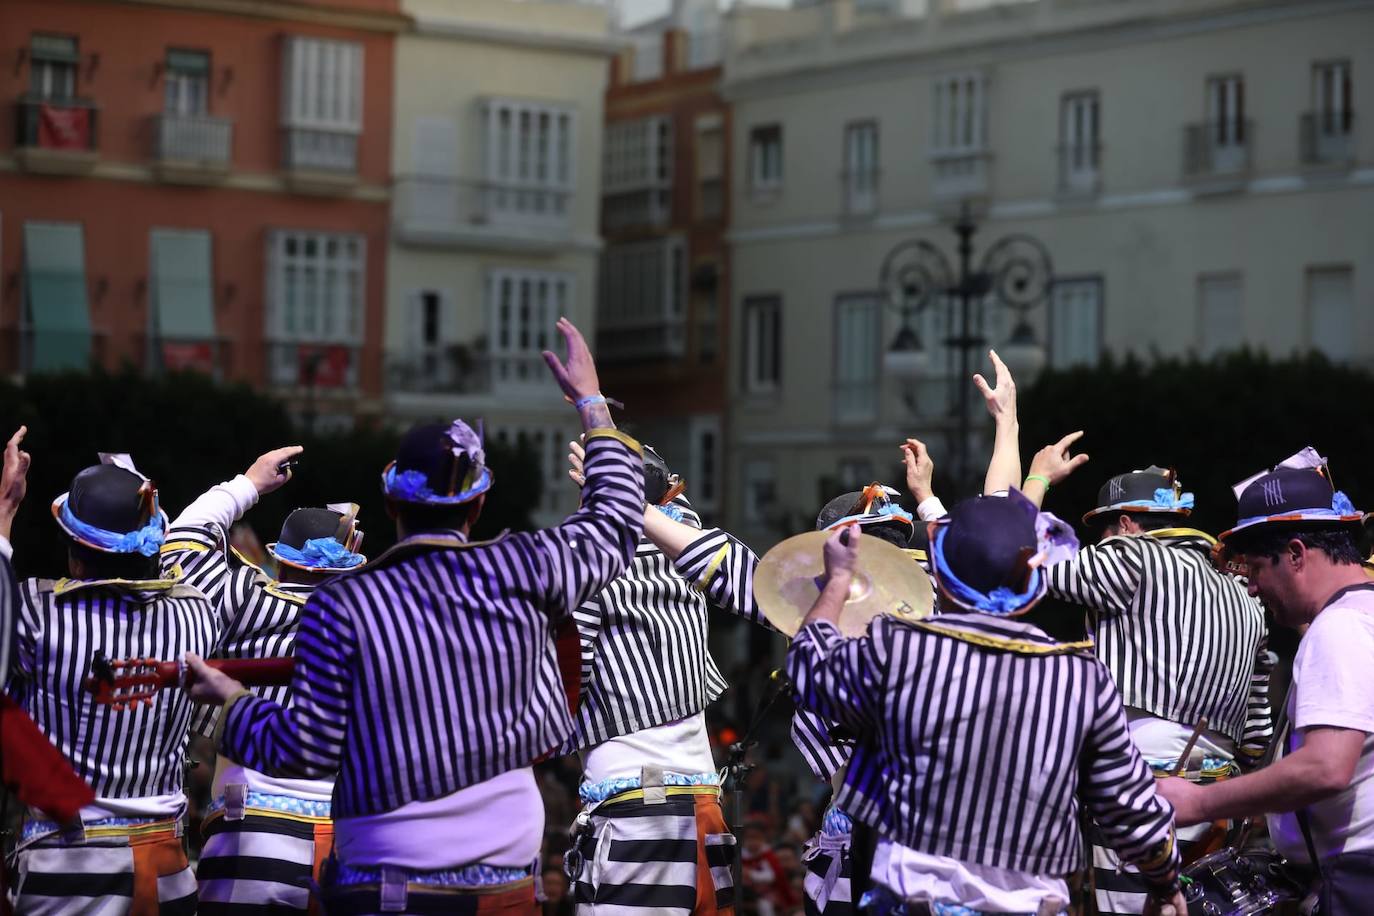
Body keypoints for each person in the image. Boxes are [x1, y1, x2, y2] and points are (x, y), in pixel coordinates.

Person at [186, 317, 645, 914]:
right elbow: (615, 519)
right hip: (507, 891)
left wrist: (231, 703)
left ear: (390, 499)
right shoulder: (531, 567)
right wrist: (591, 406)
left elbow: (306, 748)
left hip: (385, 890)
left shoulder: (342, 606)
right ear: (478, 502)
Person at [787, 494, 1187, 916]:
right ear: (1033, 590)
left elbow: (810, 666)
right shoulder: (1082, 679)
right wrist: (1164, 883)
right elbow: (1129, 806)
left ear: (939, 575)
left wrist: (837, 581)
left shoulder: (901, 648)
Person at [0, 435, 254, 913]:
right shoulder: (197, 614)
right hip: (168, 874)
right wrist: (245, 485)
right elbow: (191, 543)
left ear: (73, 548)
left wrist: (5, 512)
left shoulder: (36, 612)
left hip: (65, 868)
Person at [1013, 446, 1271, 913]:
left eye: (1107, 529)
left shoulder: (1132, 557)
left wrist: (1036, 481)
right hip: (1221, 804)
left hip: (1141, 793)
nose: (1104, 540)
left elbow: (1016, 556)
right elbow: (1257, 734)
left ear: (1129, 523)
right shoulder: (1243, 593)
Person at [1158, 453, 1374, 915]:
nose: (1252, 587)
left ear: (1295, 553)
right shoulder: (1365, 615)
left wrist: (1198, 801)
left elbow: (1326, 767)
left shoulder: (1338, 628)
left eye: (1256, 568)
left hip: (1355, 883)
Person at [160, 449, 365, 914]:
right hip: (353, 839)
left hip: (249, 829)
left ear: (283, 559)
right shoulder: (380, 621)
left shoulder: (244, 596)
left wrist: (248, 484)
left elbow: (183, 539)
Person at [559, 441, 750, 916]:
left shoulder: (594, 568)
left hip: (634, 814)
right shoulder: (693, 560)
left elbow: (564, 683)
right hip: (706, 809)